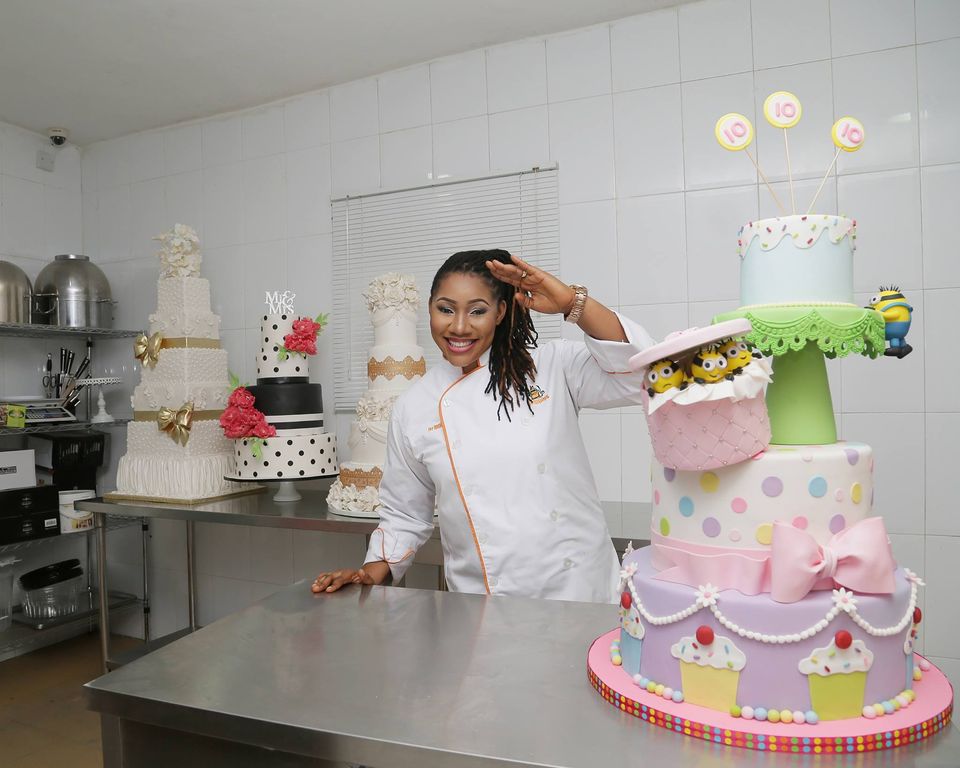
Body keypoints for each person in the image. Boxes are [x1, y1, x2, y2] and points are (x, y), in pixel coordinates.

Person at [313, 249, 654, 602]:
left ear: (500, 312)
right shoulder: (414, 406)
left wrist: (571, 303)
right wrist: (369, 573)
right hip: (483, 606)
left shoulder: (552, 367)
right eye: (446, 309)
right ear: (429, 309)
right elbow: (404, 514)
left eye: (477, 311)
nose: (459, 326)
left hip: (581, 595)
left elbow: (645, 373)